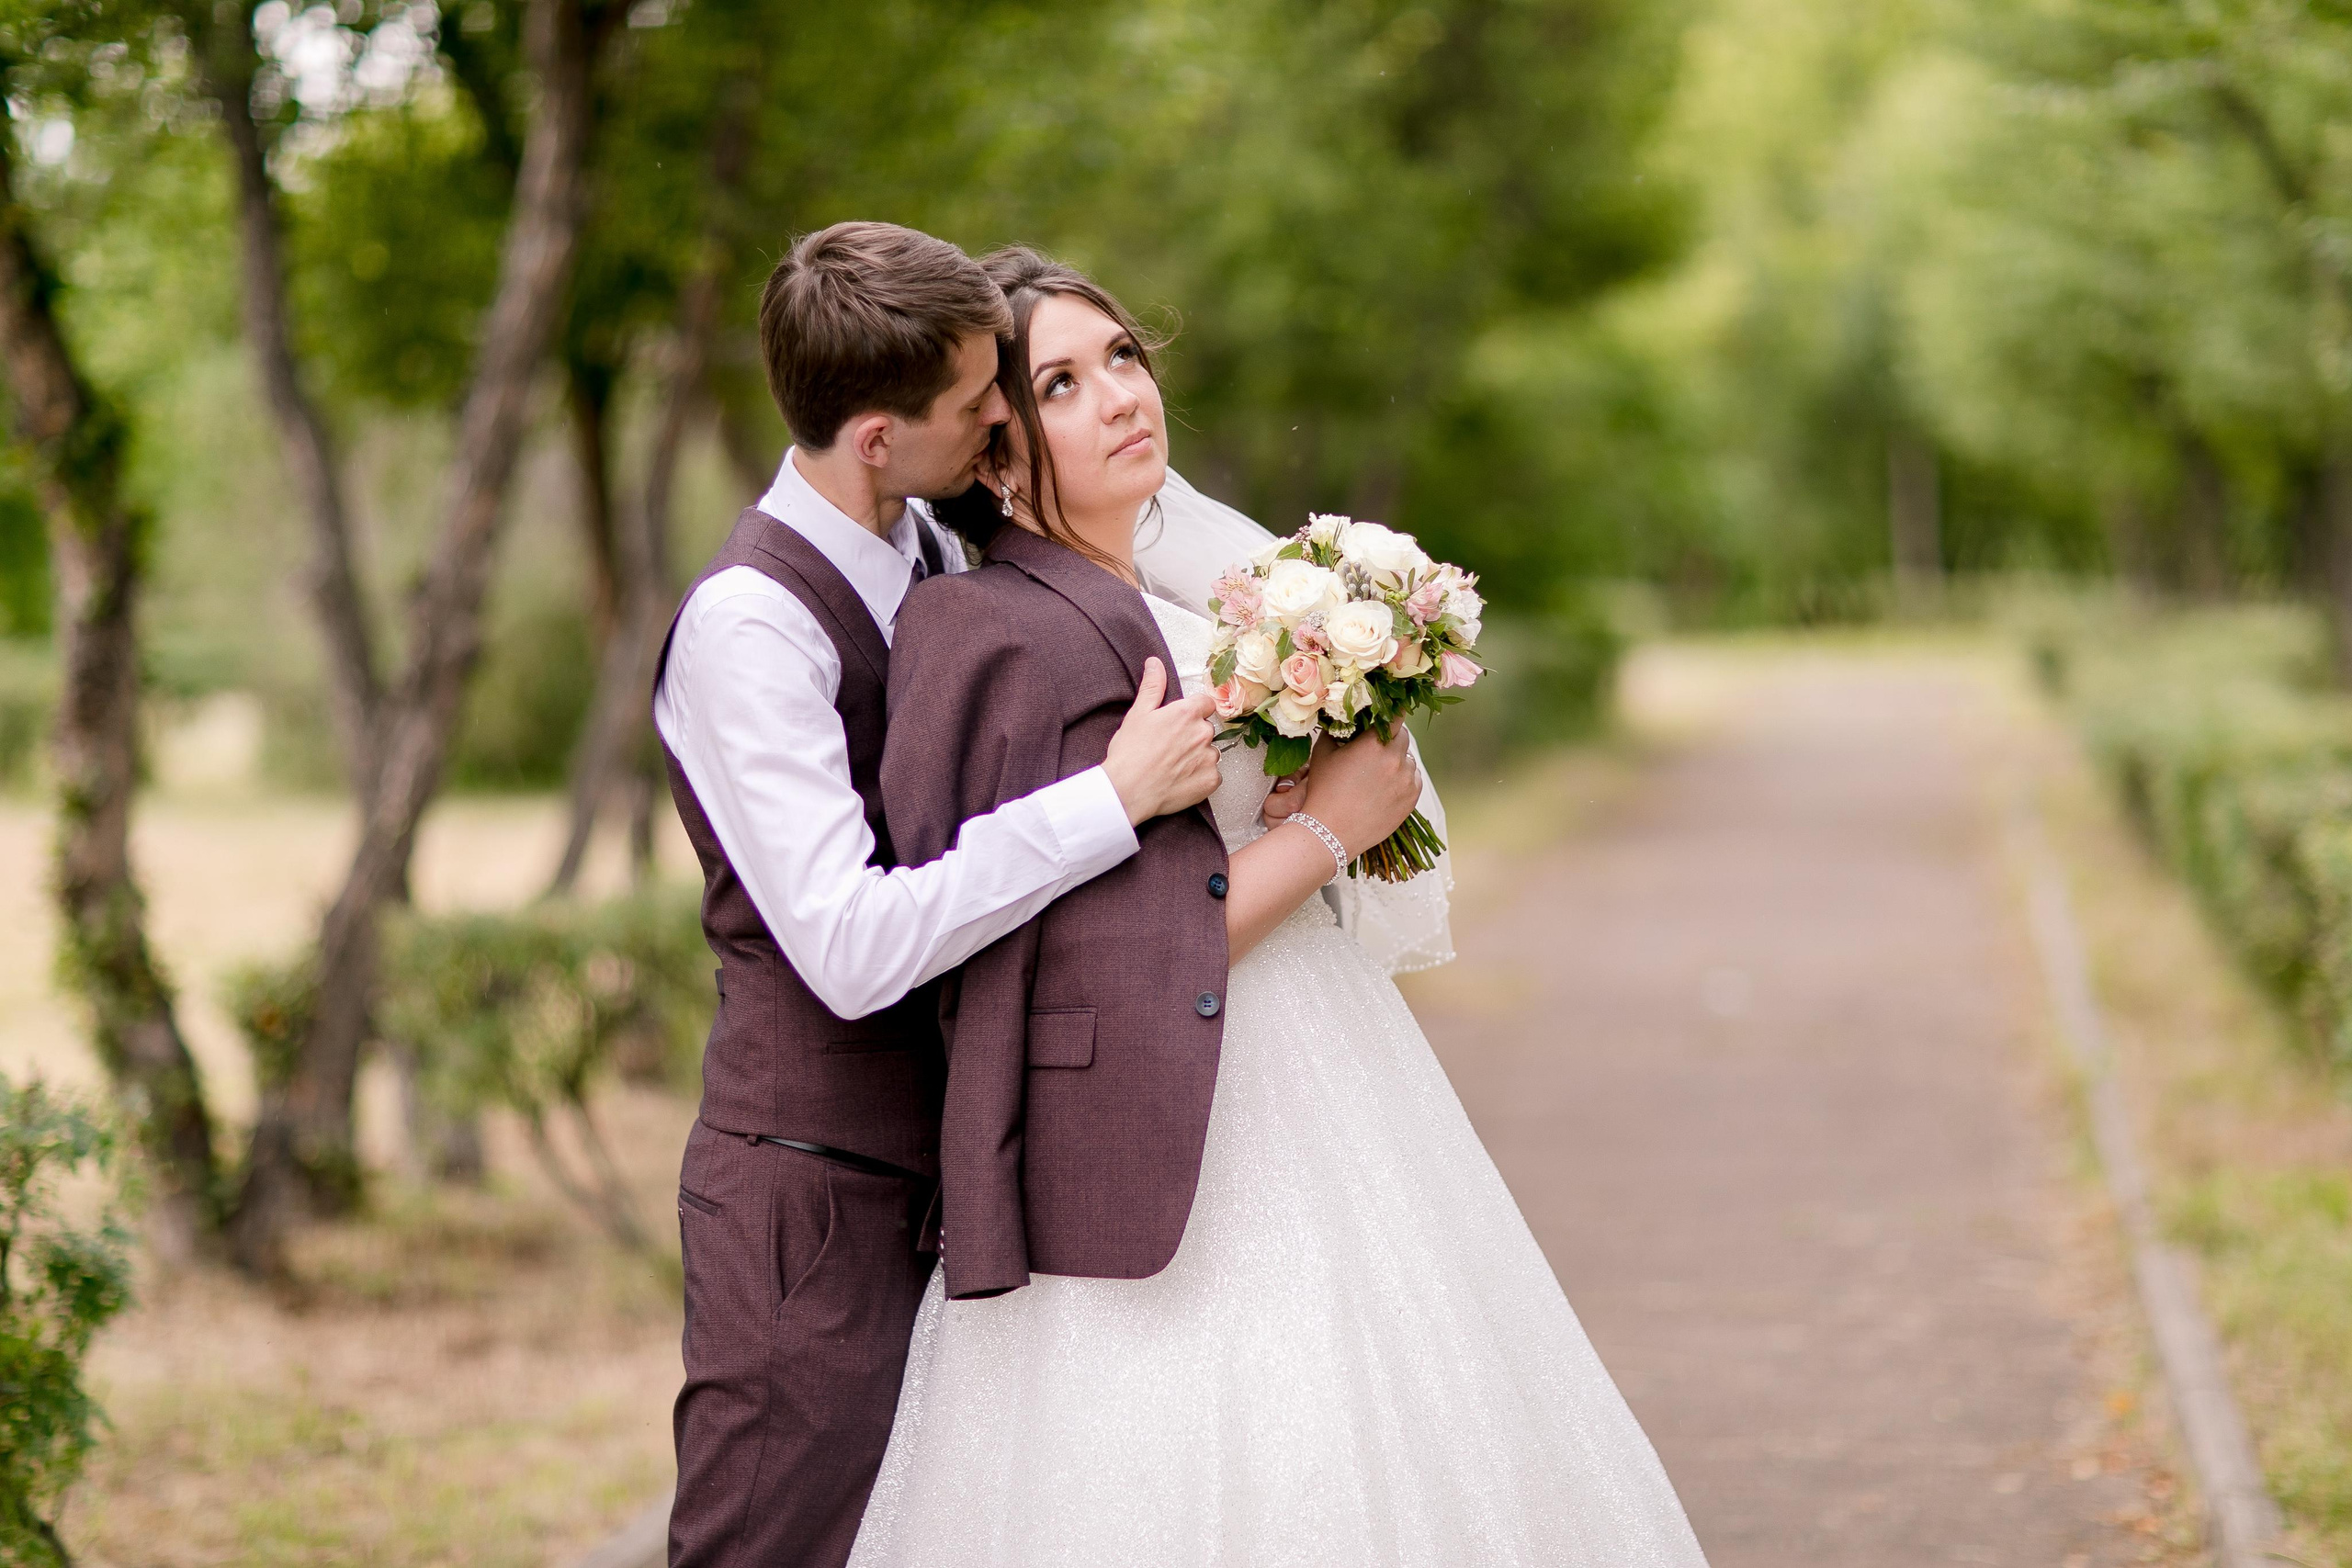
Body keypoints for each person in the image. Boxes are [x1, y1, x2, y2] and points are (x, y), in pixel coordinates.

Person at [850, 248, 1713, 1565]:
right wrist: (1324, 829)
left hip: (1321, 1061)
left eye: (1123, 358)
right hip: (1151, 1119)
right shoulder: (987, 629)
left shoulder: (1204, 598)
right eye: (1063, 384)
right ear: (995, 449)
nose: (1122, 396)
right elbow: (1095, 958)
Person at [650, 221, 1229, 1568]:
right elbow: (851, 946)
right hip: (810, 1195)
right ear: (873, 435)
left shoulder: (934, 550)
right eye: (981, 401)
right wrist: (1111, 799)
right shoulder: (752, 630)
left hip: (954, 1170)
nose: (1002, 419)